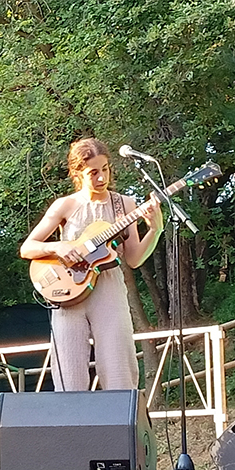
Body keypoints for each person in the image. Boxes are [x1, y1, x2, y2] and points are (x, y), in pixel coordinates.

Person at [20, 138, 164, 391]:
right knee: (70, 380)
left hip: (109, 292)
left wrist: (155, 229)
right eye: (93, 172)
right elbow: (27, 248)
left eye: (105, 169)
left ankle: (120, 417)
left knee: (120, 373)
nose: (101, 177)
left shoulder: (124, 205)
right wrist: (58, 247)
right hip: (68, 293)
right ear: (77, 173)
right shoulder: (65, 205)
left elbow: (134, 259)